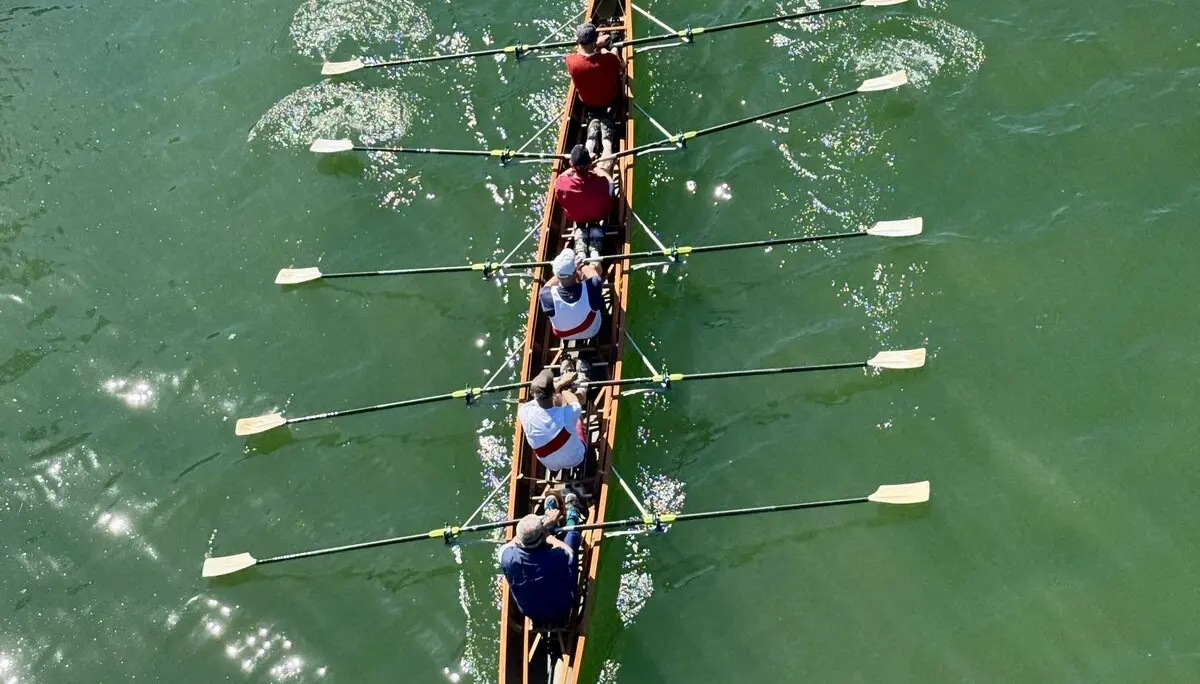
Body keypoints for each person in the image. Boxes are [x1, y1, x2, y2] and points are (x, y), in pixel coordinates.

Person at [499, 493, 587, 626]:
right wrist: (547, 532)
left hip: (529, 612)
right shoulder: (558, 556)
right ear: (542, 535)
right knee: (572, 537)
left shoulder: (506, 556)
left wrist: (542, 527)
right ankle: (572, 517)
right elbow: (569, 552)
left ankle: (551, 518)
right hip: (562, 608)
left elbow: (513, 542)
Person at [518, 367, 587, 472]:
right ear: (552, 392)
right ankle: (583, 381)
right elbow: (575, 403)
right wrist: (564, 389)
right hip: (576, 458)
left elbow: (544, 397)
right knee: (576, 416)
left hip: (551, 466)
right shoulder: (566, 414)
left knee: (560, 404)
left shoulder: (523, 411)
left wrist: (560, 384)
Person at [540, 247, 604, 342]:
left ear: (555, 274)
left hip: (565, 336)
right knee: (593, 267)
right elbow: (595, 276)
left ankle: (581, 252)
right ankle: (594, 255)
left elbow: (547, 285)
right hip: (592, 330)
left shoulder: (545, 295)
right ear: (574, 271)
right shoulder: (593, 286)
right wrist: (581, 266)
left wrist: (562, 272)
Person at [565, 23, 623, 111]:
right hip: (610, 98)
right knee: (614, 49)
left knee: (603, 51)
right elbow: (620, 66)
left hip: (586, 101)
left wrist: (596, 45)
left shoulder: (570, 60)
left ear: (578, 42)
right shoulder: (610, 59)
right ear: (596, 40)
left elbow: (579, 51)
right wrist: (604, 49)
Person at [554, 144, 614, 226]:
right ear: (589, 163)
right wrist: (595, 168)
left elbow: (560, 177)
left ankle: (591, 141)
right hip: (600, 215)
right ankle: (607, 141)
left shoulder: (560, 183)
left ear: (570, 163)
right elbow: (611, 182)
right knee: (604, 165)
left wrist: (576, 168)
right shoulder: (602, 183)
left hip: (576, 218)